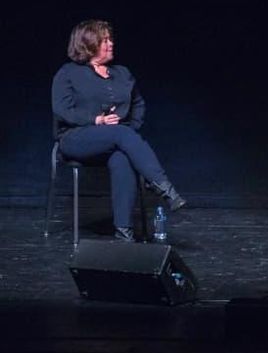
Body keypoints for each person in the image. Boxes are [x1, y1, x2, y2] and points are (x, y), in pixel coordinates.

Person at [51, 20, 185, 242]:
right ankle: (163, 187)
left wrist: (130, 129)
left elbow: (138, 104)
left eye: (110, 39)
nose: (111, 44)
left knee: (122, 156)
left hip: (115, 139)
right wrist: (96, 120)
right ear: (88, 44)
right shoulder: (68, 73)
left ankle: (124, 232)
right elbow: (62, 110)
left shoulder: (122, 73)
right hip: (75, 138)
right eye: (104, 40)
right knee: (121, 134)